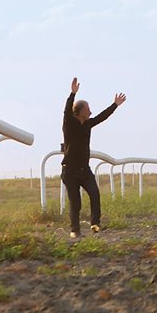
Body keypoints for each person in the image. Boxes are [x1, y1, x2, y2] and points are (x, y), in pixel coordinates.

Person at [61, 77, 126, 238]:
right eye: (88, 109)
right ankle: (74, 230)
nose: (90, 112)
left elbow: (102, 117)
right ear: (80, 111)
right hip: (69, 170)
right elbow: (66, 110)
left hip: (85, 170)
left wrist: (115, 105)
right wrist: (72, 94)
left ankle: (95, 225)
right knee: (75, 202)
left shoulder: (88, 124)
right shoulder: (69, 123)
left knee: (95, 194)